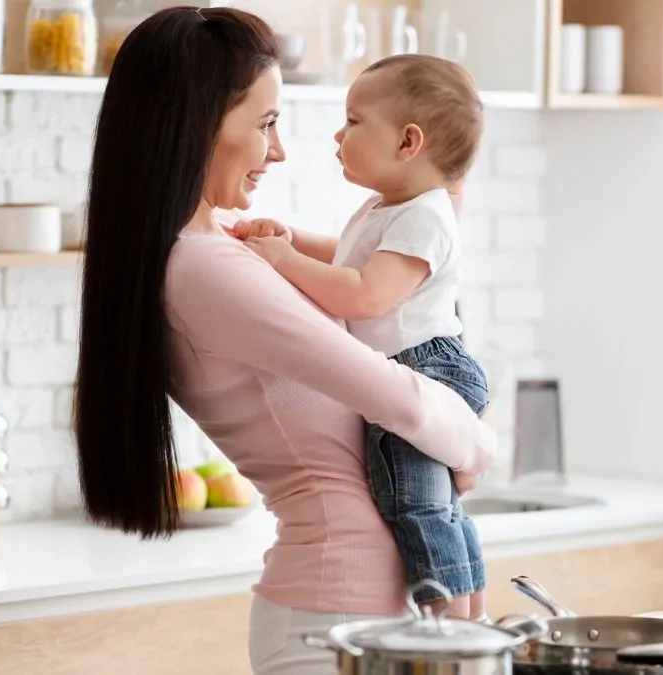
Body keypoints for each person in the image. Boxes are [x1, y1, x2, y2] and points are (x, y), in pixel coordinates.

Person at [71, 7, 496, 675]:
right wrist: (475, 442)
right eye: (265, 124)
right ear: (198, 123)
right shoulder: (204, 268)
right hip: (334, 621)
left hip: (362, 612)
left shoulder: (214, 253)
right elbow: (393, 395)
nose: (279, 151)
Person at [230, 54, 489, 621]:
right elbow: (349, 257)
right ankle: (467, 606)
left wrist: (282, 260)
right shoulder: (387, 207)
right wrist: (292, 239)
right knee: (434, 505)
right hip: (414, 367)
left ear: (407, 142)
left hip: (425, 367)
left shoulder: (425, 217)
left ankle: (446, 616)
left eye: (354, 120)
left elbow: (363, 294)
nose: (338, 134)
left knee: (414, 502)